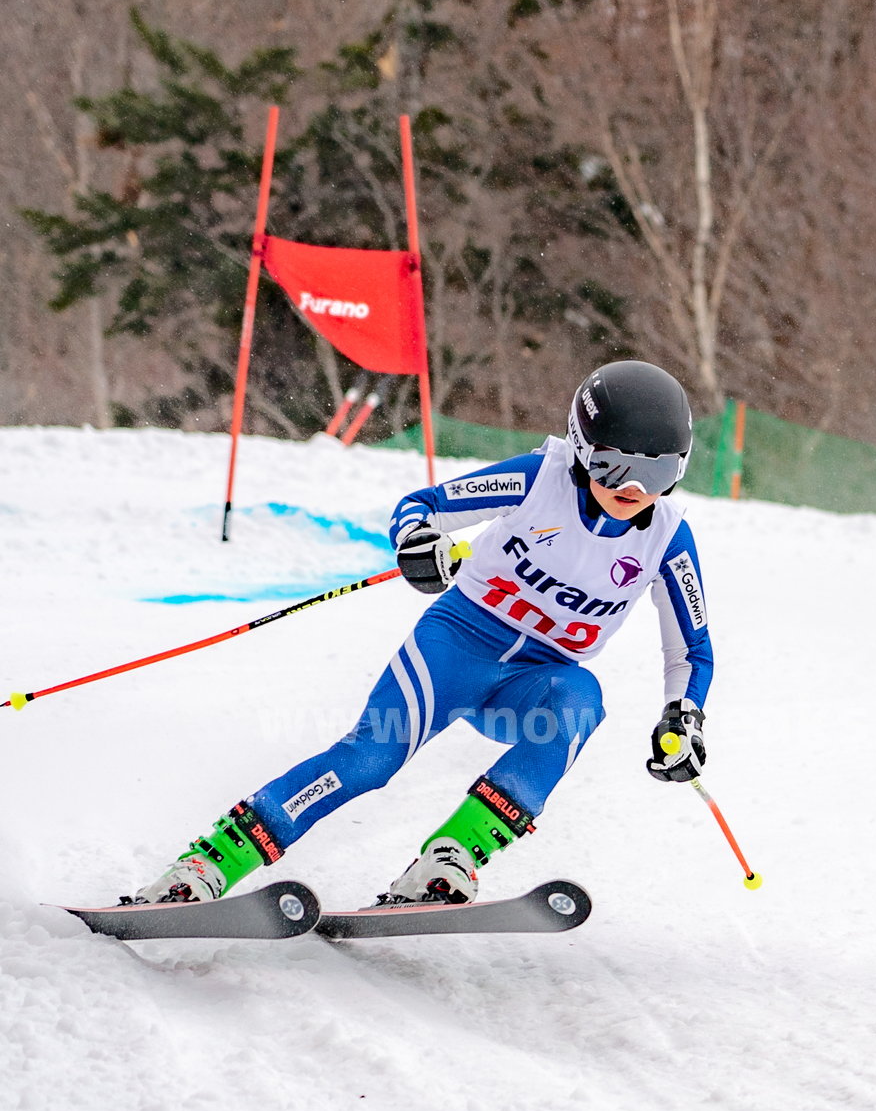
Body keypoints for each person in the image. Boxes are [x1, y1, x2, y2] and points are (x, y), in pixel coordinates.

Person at [135, 360, 714, 907]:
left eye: (660, 471)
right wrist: (417, 543)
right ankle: (209, 864)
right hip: (458, 646)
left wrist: (683, 717)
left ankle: (450, 857)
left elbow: (691, 650)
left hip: (536, 682)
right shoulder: (540, 480)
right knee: (371, 759)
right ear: (583, 449)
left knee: (580, 702)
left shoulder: (666, 538)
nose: (636, 487)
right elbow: (423, 508)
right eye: (617, 465)